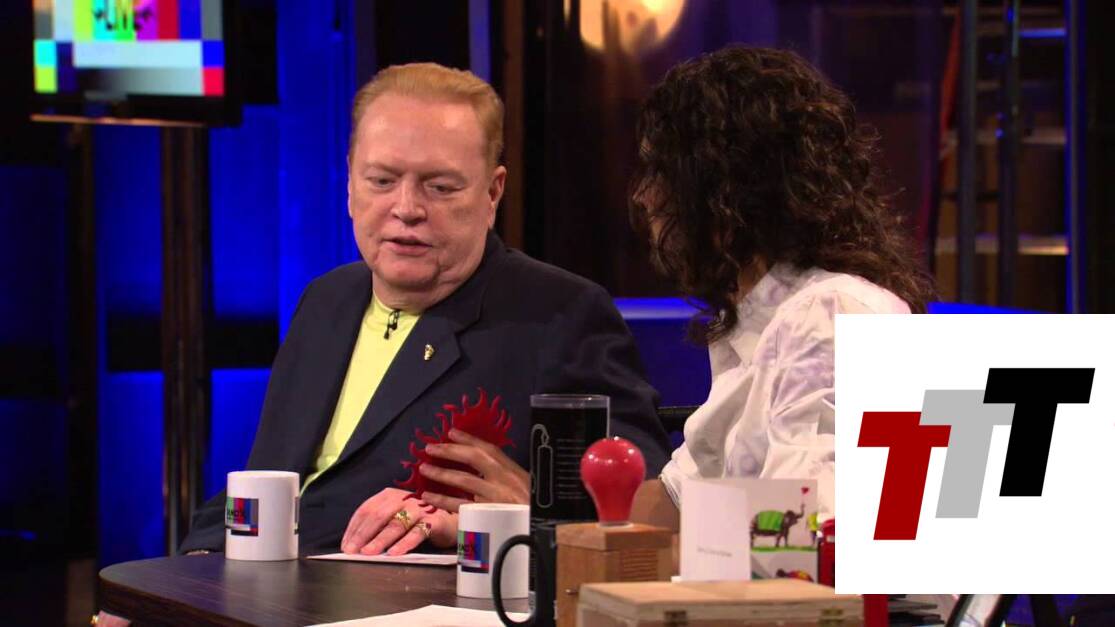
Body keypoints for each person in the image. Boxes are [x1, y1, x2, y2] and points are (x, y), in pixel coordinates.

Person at [178, 62, 670, 556]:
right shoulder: (324, 300)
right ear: (349, 184)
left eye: (440, 187)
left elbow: (644, 506)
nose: (407, 208)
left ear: (493, 193)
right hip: (257, 578)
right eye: (382, 180)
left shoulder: (560, 314)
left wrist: (532, 512)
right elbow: (267, 480)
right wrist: (193, 566)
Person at [622, 45, 936, 530]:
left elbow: (807, 536)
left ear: (722, 188)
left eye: (660, 171)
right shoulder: (765, 321)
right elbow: (674, 505)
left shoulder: (829, 315)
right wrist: (535, 517)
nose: (645, 196)